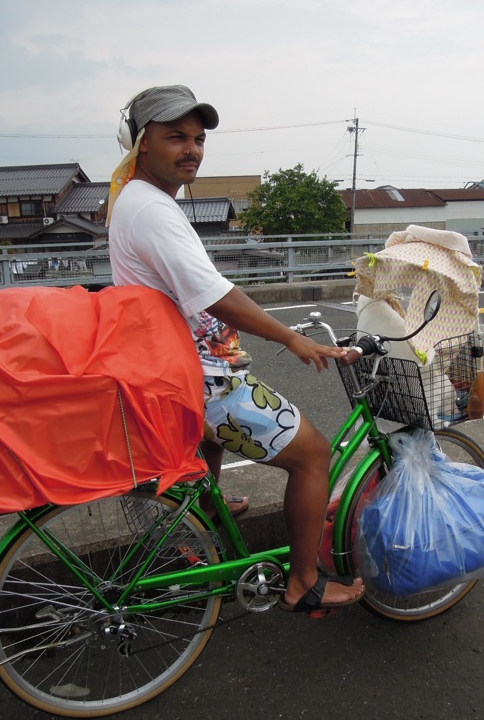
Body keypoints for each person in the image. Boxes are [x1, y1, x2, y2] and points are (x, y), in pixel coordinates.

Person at [106, 85, 364, 613]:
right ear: (140, 145)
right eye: (175, 137)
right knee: (314, 456)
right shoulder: (151, 210)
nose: (192, 149)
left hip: (175, 369)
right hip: (198, 378)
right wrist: (292, 338)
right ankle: (305, 583)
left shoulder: (137, 199)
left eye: (198, 138)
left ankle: (194, 535)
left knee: (210, 450)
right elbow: (215, 295)